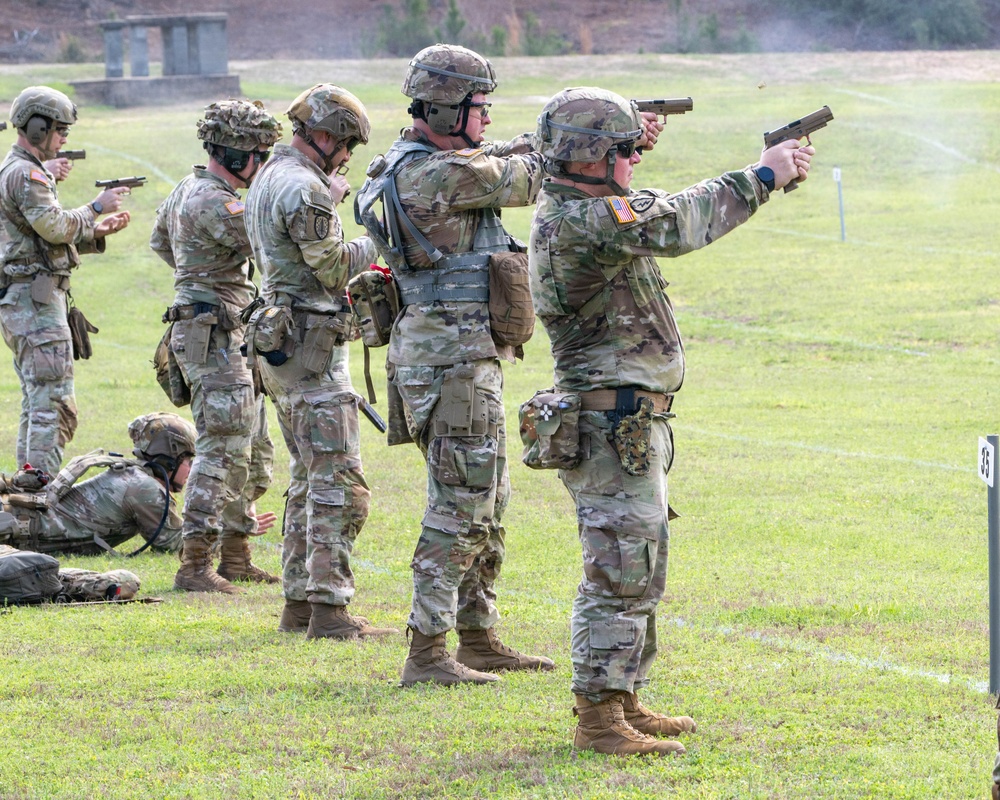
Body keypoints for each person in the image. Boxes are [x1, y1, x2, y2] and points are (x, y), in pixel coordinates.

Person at [526, 87, 814, 755]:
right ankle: (599, 720)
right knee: (618, 572)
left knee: (638, 567)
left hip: (625, 423)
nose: (633, 162)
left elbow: (638, 206)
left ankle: (621, 697)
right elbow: (678, 219)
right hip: (611, 424)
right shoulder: (588, 222)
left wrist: (627, 142)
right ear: (592, 157)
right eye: (621, 151)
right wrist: (765, 173)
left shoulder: (583, 206)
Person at [354, 43, 553, 686]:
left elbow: (494, 161)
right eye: (479, 107)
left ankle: (477, 635)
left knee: (484, 498)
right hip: (453, 363)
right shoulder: (435, 176)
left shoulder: (419, 163)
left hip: (455, 357)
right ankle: (429, 653)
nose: (487, 118)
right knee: (458, 507)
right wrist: (585, 137)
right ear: (445, 109)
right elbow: (527, 176)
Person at [244, 83, 394, 639]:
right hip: (312, 347)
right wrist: (377, 238)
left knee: (306, 479)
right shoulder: (304, 189)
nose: (347, 155)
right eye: (346, 143)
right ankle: (330, 611)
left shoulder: (269, 179)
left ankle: (299, 604)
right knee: (338, 483)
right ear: (325, 135)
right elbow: (332, 268)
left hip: (285, 347)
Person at [149, 99, 282, 594]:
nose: (263, 166)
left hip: (222, 329)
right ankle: (196, 564)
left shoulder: (190, 187)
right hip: (214, 333)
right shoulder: (213, 200)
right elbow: (273, 239)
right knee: (221, 449)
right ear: (232, 153)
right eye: (258, 156)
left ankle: (235, 555)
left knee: (248, 444)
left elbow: (160, 241)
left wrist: (199, 275)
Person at [0, 86, 131, 475]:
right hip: (35, 304)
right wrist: (95, 208)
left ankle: (31, 486)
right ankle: (40, 493)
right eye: (60, 131)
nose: (63, 140)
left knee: (37, 399)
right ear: (38, 129)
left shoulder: (20, 170)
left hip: (28, 298)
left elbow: (37, 240)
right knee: (52, 402)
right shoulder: (27, 174)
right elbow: (54, 227)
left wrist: (95, 233)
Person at [1, 412, 197, 556]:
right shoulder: (144, 488)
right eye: (189, 461)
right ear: (170, 460)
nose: (192, 470)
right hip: (15, 526)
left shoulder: (130, 473)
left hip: (16, 518)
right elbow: (173, 544)